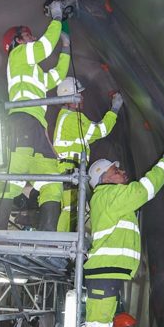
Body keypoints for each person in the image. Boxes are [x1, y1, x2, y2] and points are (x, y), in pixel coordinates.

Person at [77, 142, 164, 327]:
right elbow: (143, 190)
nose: (123, 172)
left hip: (108, 273)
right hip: (106, 273)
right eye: (116, 171)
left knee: (99, 325)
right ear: (103, 179)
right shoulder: (110, 196)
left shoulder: (107, 198)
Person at [0, 0, 72, 231]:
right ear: (17, 41)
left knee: (52, 181)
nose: (32, 37)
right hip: (22, 123)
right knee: (9, 180)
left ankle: (49, 241)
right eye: (27, 35)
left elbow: (56, 77)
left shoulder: (32, 70)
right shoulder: (18, 55)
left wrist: (65, 49)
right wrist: (56, 19)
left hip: (36, 126)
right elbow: (45, 47)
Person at [53, 77, 123, 231]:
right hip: (70, 169)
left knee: (73, 208)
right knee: (71, 209)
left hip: (70, 168)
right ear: (70, 97)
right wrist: (115, 109)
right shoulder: (72, 118)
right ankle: (64, 243)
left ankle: (67, 242)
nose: (82, 97)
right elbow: (100, 131)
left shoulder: (66, 118)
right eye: (79, 94)